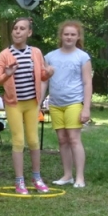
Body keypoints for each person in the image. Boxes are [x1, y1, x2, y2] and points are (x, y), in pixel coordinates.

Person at [0, 17, 54, 195]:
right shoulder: (5, 55)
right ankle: (20, 181)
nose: (17, 31)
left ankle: (37, 177)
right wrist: (6, 74)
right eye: (15, 28)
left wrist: (48, 72)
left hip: (32, 103)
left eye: (22, 29)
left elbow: (41, 75)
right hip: (14, 104)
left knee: (34, 140)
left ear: (29, 32)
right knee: (18, 141)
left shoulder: (35, 52)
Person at [43, 21, 92, 188]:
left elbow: (87, 83)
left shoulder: (82, 57)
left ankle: (80, 177)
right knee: (62, 140)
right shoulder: (50, 56)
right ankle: (67, 175)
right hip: (55, 103)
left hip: (74, 102)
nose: (69, 37)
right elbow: (44, 81)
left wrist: (86, 107)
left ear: (78, 37)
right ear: (61, 36)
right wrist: (39, 102)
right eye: (66, 34)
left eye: (73, 34)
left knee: (74, 139)